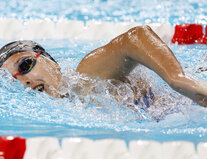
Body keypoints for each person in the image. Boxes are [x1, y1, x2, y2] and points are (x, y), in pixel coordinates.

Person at [1, 25, 207, 107]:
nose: (24, 80)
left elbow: (135, 37)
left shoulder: (85, 77)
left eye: (25, 65)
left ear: (50, 61)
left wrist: (177, 79)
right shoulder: (70, 103)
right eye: (15, 79)